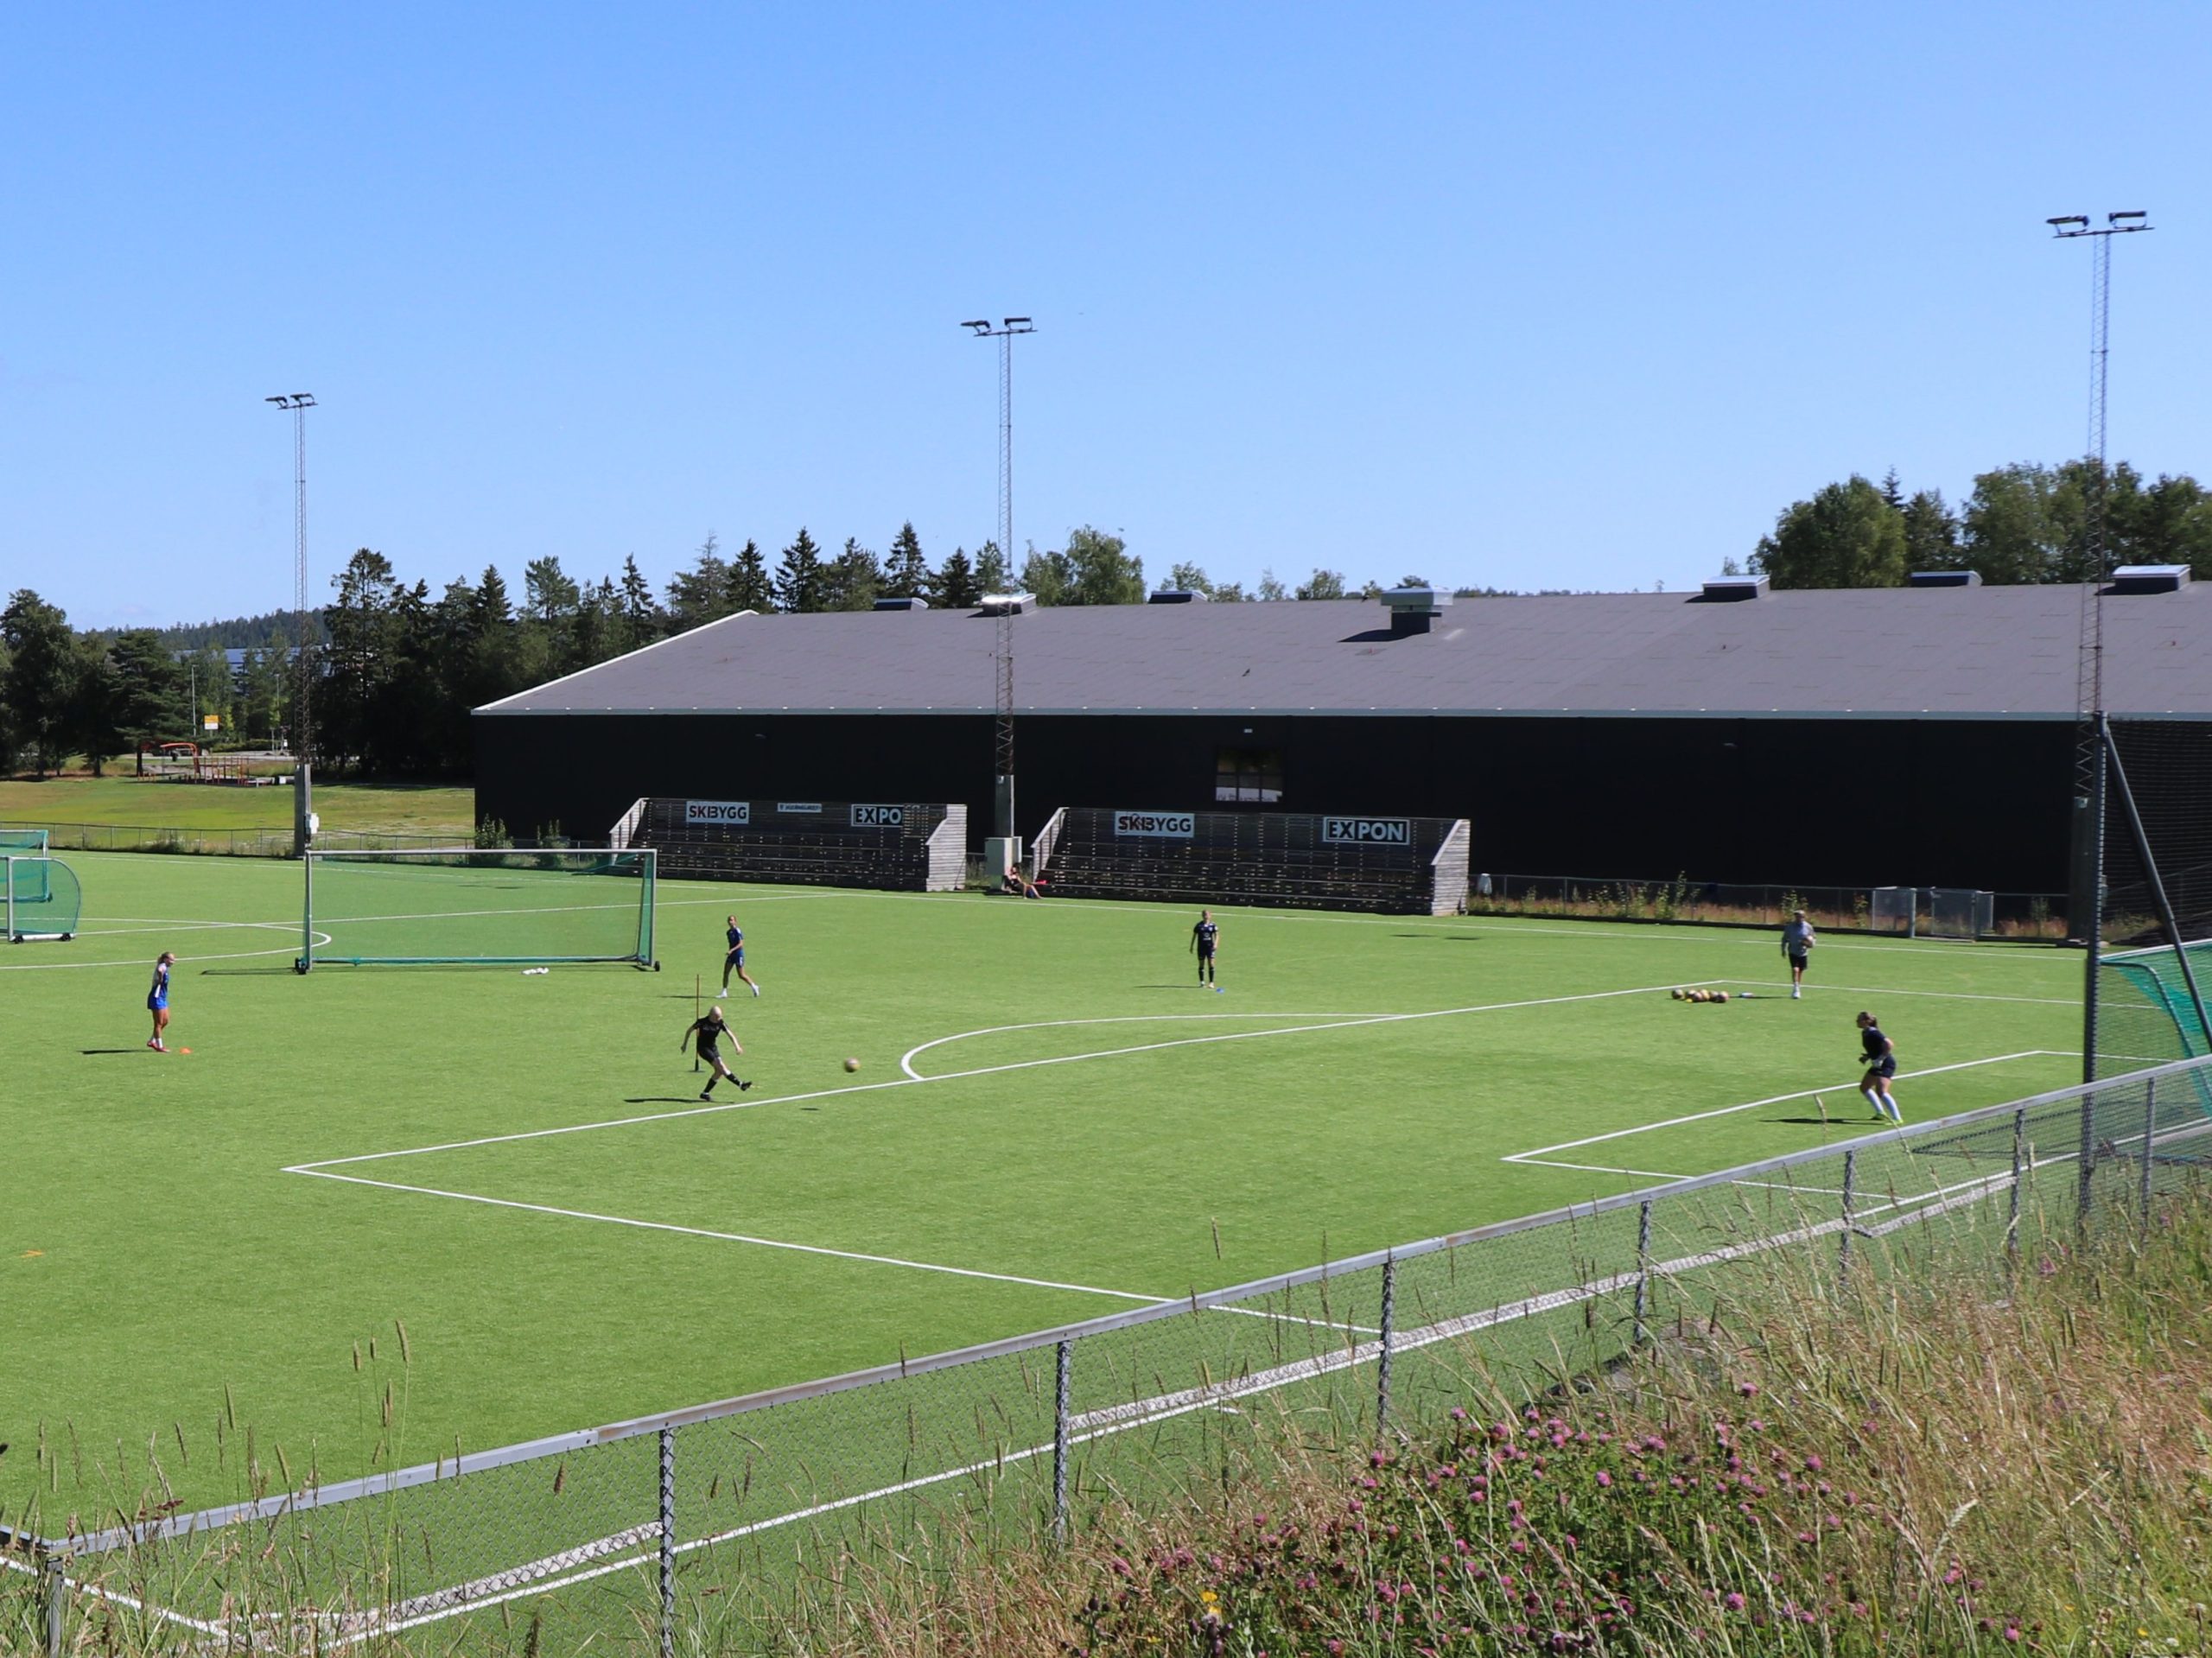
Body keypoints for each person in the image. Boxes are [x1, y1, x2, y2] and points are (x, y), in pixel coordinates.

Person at [682, 1006, 753, 1100]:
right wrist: (685, 1045)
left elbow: (731, 1035)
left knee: (719, 1072)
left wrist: (737, 1046)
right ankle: (740, 1085)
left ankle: (705, 1093)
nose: (719, 1019)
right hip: (703, 1049)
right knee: (721, 1067)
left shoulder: (721, 1023)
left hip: (713, 1048)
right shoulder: (702, 1022)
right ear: (711, 1015)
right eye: (717, 1017)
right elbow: (689, 1031)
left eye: (720, 1017)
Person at [1856, 1010, 1901, 1123]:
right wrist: (1867, 1057)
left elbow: (1889, 1044)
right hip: (1877, 1063)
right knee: (1864, 1087)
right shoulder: (1865, 1032)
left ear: (1867, 1021)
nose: (1856, 1021)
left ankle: (1897, 1118)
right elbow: (1875, 1048)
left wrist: (1880, 1059)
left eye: (1859, 1019)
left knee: (1881, 1091)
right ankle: (1880, 1113)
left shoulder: (1873, 1032)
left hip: (1886, 1064)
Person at [718, 916, 760, 998]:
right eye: (729, 920)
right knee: (726, 972)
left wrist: (732, 950)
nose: (730, 922)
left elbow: (741, 943)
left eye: (732, 920)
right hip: (731, 955)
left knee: (741, 975)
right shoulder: (728, 932)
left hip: (738, 954)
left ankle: (754, 986)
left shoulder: (738, 931)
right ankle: (724, 992)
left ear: (735, 921)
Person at [1781, 909, 1815, 999]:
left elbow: (1813, 938)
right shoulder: (1790, 927)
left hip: (1803, 952)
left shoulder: (1808, 927)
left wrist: (1810, 944)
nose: (1798, 918)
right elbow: (1784, 939)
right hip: (1793, 951)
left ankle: (1797, 987)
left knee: (1800, 971)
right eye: (1796, 916)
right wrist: (1783, 949)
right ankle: (1796, 989)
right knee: (1795, 970)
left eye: (1800, 916)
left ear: (1803, 917)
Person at [146, 951, 176, 1051]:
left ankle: (152, 1041)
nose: (173, 962)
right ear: (165, 959)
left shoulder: (166, 968)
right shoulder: (163, 966)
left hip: (163, 998)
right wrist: (160, 977)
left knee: (166, 1021)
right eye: (171, 960)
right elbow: (160, 969)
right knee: (158, 1023)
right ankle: (160, 1046)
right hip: (156, 998)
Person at [1190, 908, 1222, 991]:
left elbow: (1217, 935)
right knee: (1201, 964)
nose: (1205, 916)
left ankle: (1211, 982)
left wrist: (1215, 944)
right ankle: (1202, 982)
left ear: (1210, 916)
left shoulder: (1213, 925)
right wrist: (1191, 946)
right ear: (1202, 916)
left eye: (1207, 915)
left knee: (1211, 963)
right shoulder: (1199, 926)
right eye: (1204, 915)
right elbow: (1194, 936)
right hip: (1201, 948)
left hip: (1210, 948)